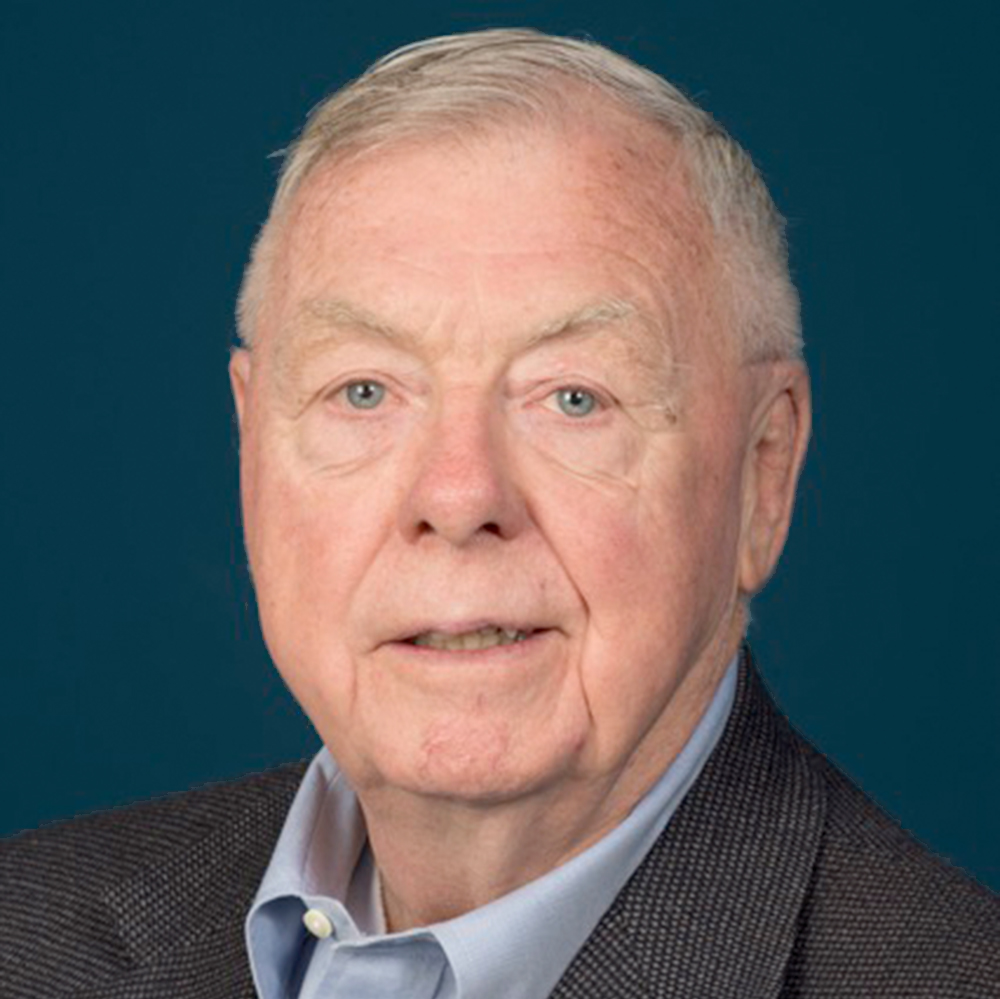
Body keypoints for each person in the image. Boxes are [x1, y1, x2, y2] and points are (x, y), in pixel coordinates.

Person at [1, 27, 997, 999]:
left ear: (762, 473)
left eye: (574, 397)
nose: (457, 497)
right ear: (250, 439)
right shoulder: (24, 928)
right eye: (362, 391)